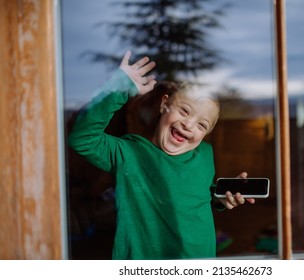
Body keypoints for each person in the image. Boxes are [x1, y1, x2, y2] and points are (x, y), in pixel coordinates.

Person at [68, 50, 255, 260]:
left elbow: (195, 193)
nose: (189, 124)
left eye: (202, 125)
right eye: (184, 111)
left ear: (206, 134)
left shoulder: (204, 154)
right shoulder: (128, 153)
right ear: (164, 104)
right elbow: (82, 138)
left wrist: (220, 198)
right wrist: (118, 88)